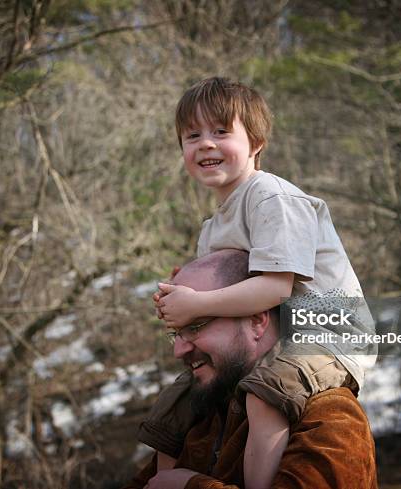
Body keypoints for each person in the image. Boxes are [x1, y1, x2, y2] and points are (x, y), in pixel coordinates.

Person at [143, 77, 376, 489]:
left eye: (220, 131)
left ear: (256, 142)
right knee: (176, 401)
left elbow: (275, 289)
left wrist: (197, 305)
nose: (205, 144)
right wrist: (178, 296)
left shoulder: (272, 198)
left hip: (329, 336)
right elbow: (221, 288)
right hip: (276, 335)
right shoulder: (214, 226)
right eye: (191, 135)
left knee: (264, 395)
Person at [125, 250, 378, 489]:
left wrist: (191, 485)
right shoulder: (204, 415)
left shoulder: (329, 416)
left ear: (257, 321)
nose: (178, 351)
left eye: (196, 326)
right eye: (176, 334)